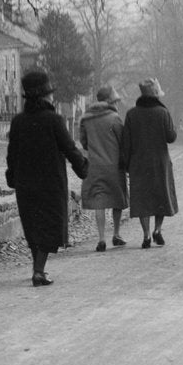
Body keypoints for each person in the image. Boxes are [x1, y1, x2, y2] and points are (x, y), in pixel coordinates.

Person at [6, 70, 88, 287]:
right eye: (50, 93)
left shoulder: (18, 122)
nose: (52, 97)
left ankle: (37, 267)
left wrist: (11, 176)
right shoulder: (54, 120)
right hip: (51, 183)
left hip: (25, 183)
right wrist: (83, 169)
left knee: (33, 225)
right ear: (44, 96)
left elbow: (12, 153)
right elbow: (70, 149)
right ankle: (38, 271)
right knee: (50, 225)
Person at [121, 78, 178, 249]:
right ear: (156, 95)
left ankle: (145, 235)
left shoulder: (131, 114)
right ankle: (157, 230)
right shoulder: (162, 112)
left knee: (142, 199)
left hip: (138, 162)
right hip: (159, 161)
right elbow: (171, 137)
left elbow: (126, 142)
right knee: (160, 195)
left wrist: (125, 164)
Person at [79, 85, 128, 253]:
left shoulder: (86, 119)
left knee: (100, 201)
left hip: (94, 165)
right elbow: (123, 141)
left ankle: (101, 238)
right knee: (117, 200)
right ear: (108, 101)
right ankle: (116, 233)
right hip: (114, 166)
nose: (116, 103)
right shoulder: (115, 118)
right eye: (114, 100)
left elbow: (84, 142)